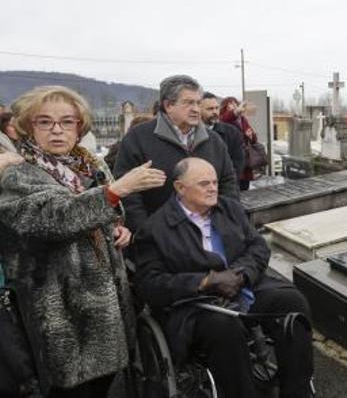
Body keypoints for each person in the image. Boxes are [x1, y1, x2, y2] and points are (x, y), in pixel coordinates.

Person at [0, 86, 165, 396]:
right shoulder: (19, 175)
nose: (57, 130)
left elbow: (101, 213)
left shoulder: (88, 166)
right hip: (63, 319)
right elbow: (55, 217)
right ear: (27, 127)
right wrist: (117, 192)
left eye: (67, 121)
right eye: (45, 122)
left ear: (80, 127)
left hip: (103, 312)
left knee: (101, 384)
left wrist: (118, 227)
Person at [134, 157, 314, 398]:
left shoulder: (230, 209)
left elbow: (258, 248)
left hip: (243, 287)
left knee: (293, 302)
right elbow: (150, 285)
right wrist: (203, 283)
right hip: (197, 305)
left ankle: (297, 391)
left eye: (215, 182)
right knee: (225, 328)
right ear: (180, 187)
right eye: (204, 183)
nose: (212, 188)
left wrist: (239, 275)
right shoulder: (155, 229)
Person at [114, 75, 239, 234]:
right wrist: (146, 233)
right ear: (168, 105)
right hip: (159, 240)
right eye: (188, 103)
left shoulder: (213, 140)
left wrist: (225, 222)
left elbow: (228, 184)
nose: (196, 109)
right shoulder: (138, 138)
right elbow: (128, 194)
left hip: (209, 234)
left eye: (198, 103)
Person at [220, 97, 262, 191]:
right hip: (232, 159)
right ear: (225, 107)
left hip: (245, 160)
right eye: (230, 104)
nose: (234, 106)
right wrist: (235, 112)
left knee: (244, 187)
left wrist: (251, 136)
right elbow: (225, 119)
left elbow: (254, 138)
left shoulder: (242, 119)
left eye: (235, 103)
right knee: (233, 187)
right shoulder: (223, 118)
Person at [201, 92, 245, 180]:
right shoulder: (190, 133)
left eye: (216, 108)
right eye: (210, 109)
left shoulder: (232, 133)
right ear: (199, 110)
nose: (215, 112)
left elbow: (238, 164)